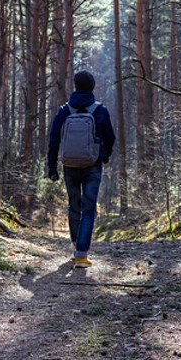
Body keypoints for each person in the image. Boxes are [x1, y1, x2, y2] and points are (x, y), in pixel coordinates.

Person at [47, 70, 115, 268]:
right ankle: (81, 255)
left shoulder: (64, 111)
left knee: (74, 206)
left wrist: (52, 168)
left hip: (69, 165)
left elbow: (53, 140)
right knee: (88, 209)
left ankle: (76, 246)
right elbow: (110, 137)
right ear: (92, 87)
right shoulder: (100, 110)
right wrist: (105, 156)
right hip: (93, 165)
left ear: (75, 86)